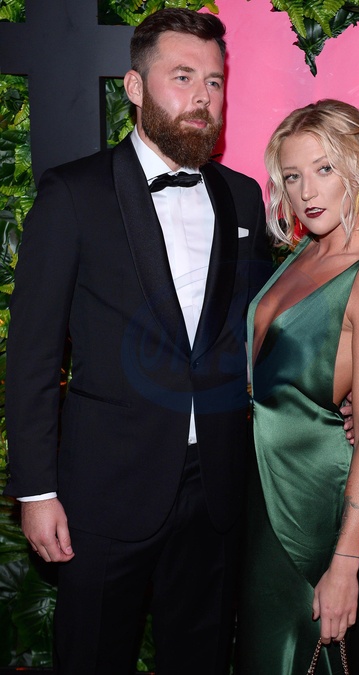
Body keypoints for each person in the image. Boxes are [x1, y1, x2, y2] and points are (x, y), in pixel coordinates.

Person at [4, 8, 273, 675]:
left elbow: (258, 329)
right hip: (104, 489)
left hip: (215, 487)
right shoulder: (73, 194)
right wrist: (35, 491)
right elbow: (34, 355)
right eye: (182, 77)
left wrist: (334, 392)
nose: (202, 97)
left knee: (202, 658)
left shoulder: (242, 197)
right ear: (134, 86)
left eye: (214, 81)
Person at [237, 99, 359, 674]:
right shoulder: (307, 250)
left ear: (358, 169)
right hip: (261, 492)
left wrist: (346, 563)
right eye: (292, 176)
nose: (306, 191)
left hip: (309, 509)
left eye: (324, 169)